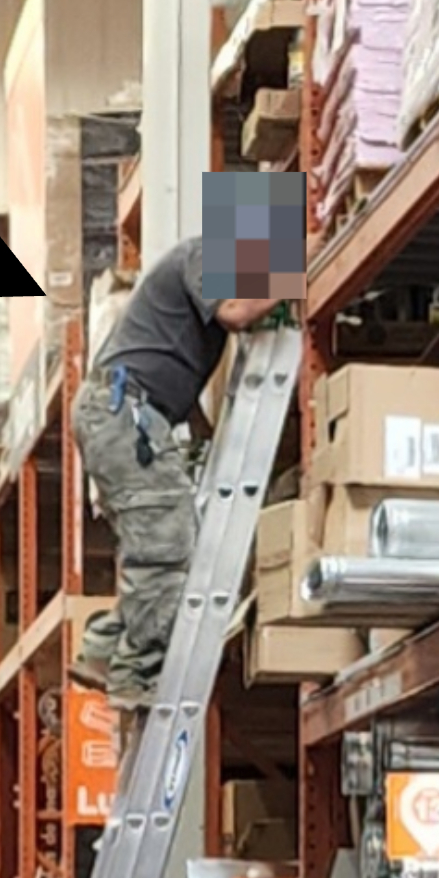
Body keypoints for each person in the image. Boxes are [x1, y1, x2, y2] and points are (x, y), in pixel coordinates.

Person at [69, 236, 283, 708]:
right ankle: (138, 674)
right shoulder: (206, 252)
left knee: (158, 543)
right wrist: (295, 274)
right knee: (167, 548)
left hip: (130, 415)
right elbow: (235, 310)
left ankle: (104, 650)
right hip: (124, 413)